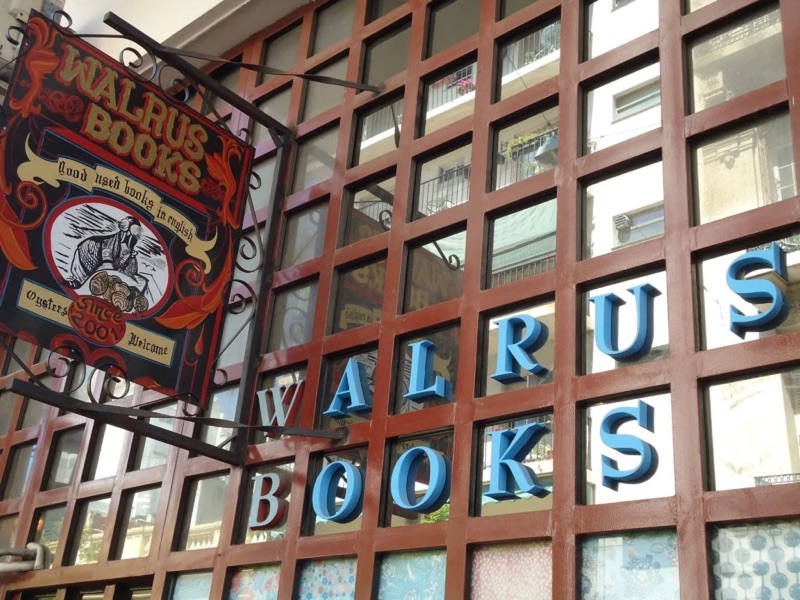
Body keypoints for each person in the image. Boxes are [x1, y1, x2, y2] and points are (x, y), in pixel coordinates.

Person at [66, 216, 142, 289]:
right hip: (86, 253)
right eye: (130, 234)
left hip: (104, 264)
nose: (131, 238)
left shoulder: (129, 246)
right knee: (83, 282)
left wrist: (132, 258)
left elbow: (131, 271)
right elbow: (106, 267)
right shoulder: (109, 244)